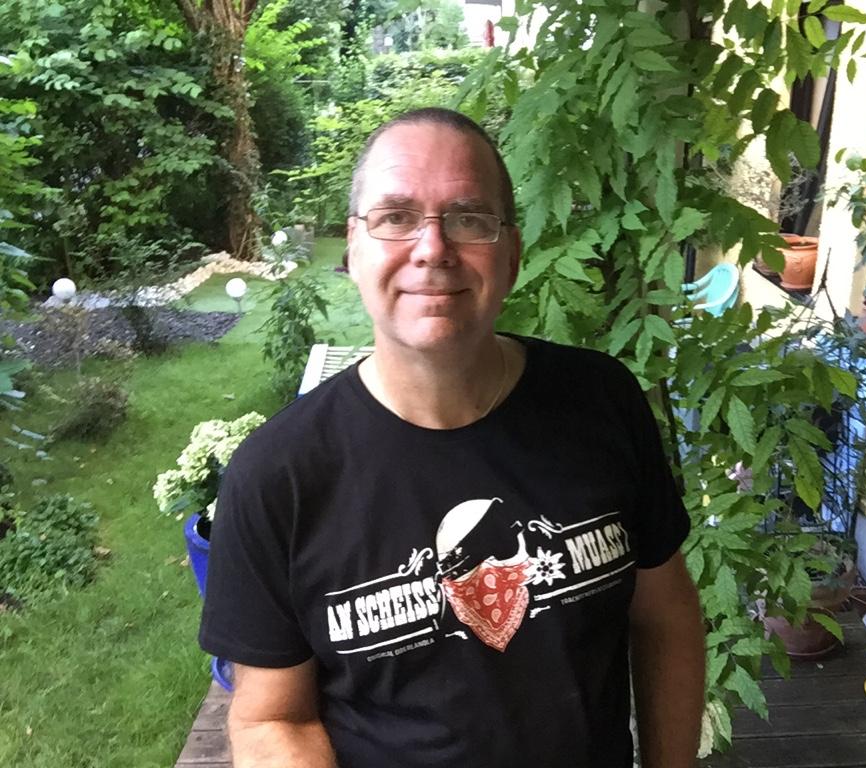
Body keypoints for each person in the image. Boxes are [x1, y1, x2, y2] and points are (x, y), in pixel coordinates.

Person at [199, 107, 705, 768]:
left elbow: (665, 615)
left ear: (512, 253)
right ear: (352, 249)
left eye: (469, 218)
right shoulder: (278, 476)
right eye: (396, 216)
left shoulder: (602, 400)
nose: (433, 248)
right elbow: (272, 718)